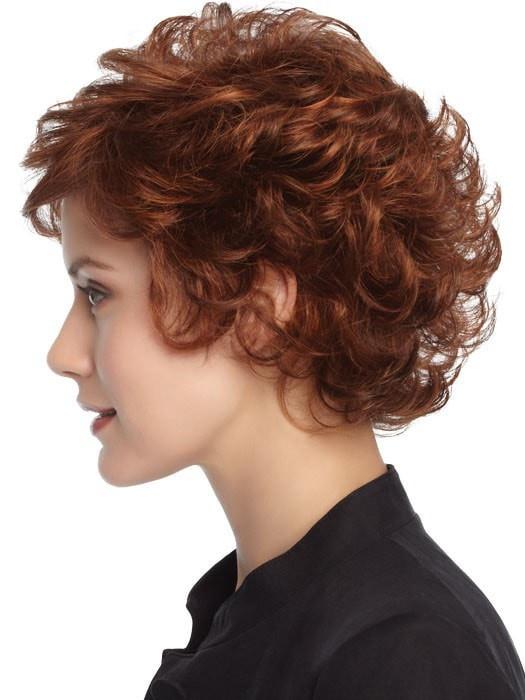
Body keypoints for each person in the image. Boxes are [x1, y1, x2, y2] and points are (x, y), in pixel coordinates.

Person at [20, 2, 525, 698]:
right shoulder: (268, 617)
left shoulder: (400, 655)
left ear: (258, 311)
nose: (63, 353)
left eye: (97, 293)